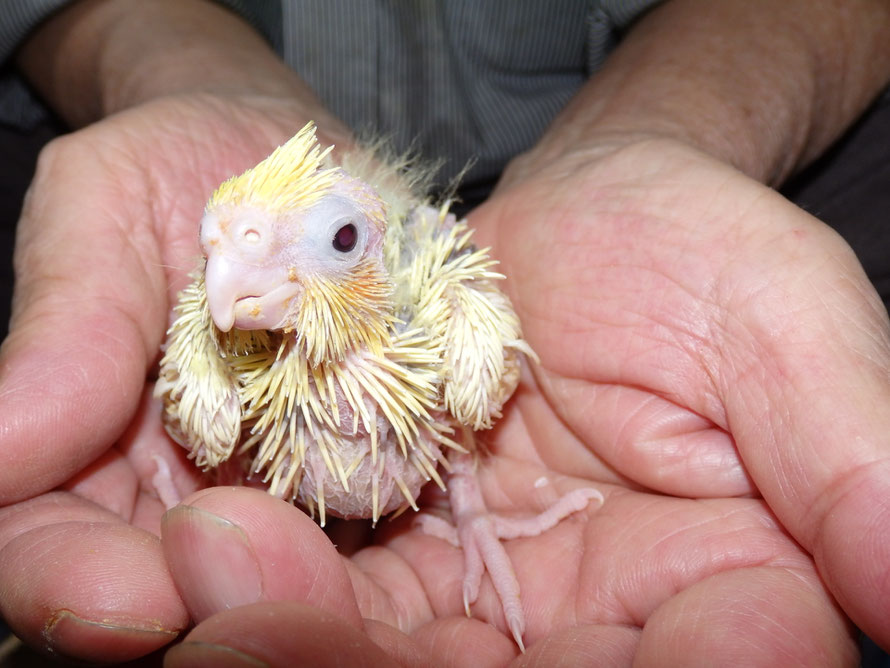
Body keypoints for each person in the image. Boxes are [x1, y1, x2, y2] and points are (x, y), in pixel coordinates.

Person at [1, 0, 890, 664]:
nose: (237, 288)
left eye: (338, 245)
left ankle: (465, 508)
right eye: (223, 258)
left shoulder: (452, 330)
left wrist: (467, 507)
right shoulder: (219, 354)